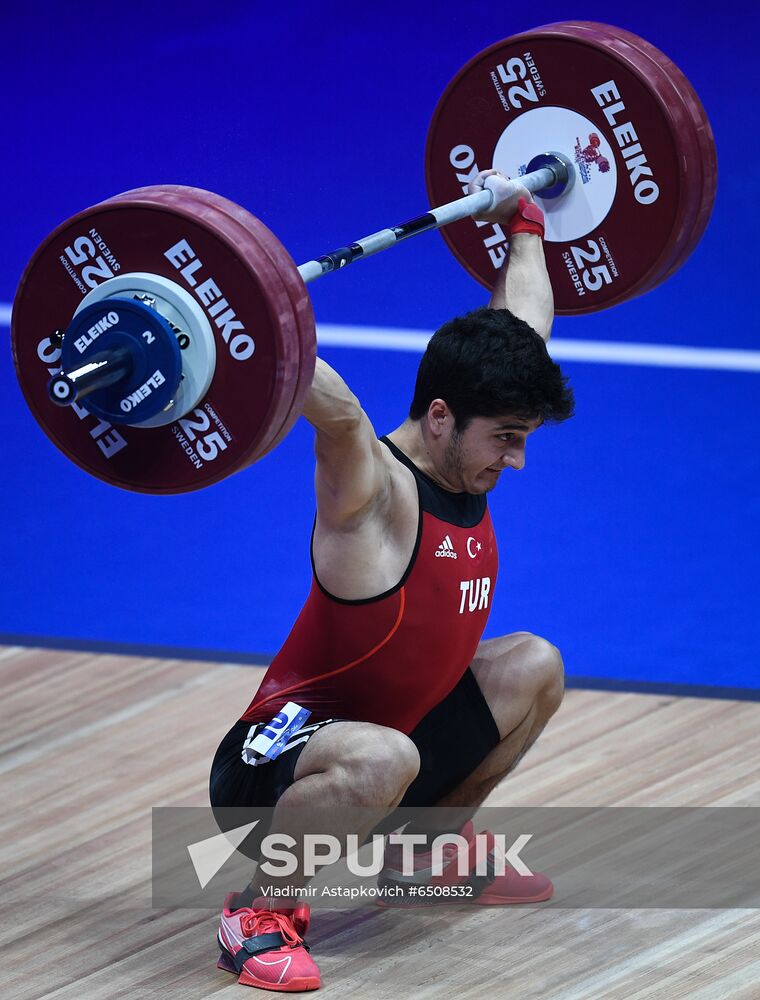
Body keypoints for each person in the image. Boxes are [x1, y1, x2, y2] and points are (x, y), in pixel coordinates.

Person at [209, 169, 575, 992]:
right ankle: (259, 911)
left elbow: (523, 327)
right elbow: (332, 410)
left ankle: (420, 853)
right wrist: (254, 322)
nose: (514, 461)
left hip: (396, 745)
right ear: (440, 416)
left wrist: (524, 221)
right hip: (276, 767)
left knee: (533, 666)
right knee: (382, 755)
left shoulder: (474, 423)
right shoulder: (370, 492)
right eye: (506, 440)